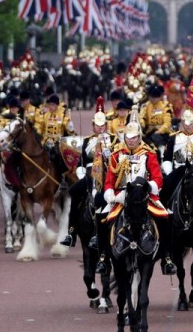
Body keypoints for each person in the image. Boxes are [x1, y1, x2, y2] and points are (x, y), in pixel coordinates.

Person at [98, 117, 176, 275]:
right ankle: (103, 258)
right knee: (102, 217)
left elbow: (158, 179)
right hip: (120, 197)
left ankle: (167, 258)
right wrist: (110, 194)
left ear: (139, 137)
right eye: (128, 137)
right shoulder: (116, 154)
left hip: (143, 196)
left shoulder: (148, 154)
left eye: (134, 137)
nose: (131, 140)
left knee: (166, 217)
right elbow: (109, 181)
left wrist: (149, 188)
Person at [61, 98, 115, 248]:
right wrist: (81, 174)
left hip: (108, 175)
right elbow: (81, 162)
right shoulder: (86, 141)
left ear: (106, 125)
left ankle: (101, 232)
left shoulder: (114, 140)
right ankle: (71, 233)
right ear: (93, 126)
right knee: (74, 192)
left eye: (102, 125)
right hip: (90, 174)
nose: (100, 129)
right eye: (97, 126)